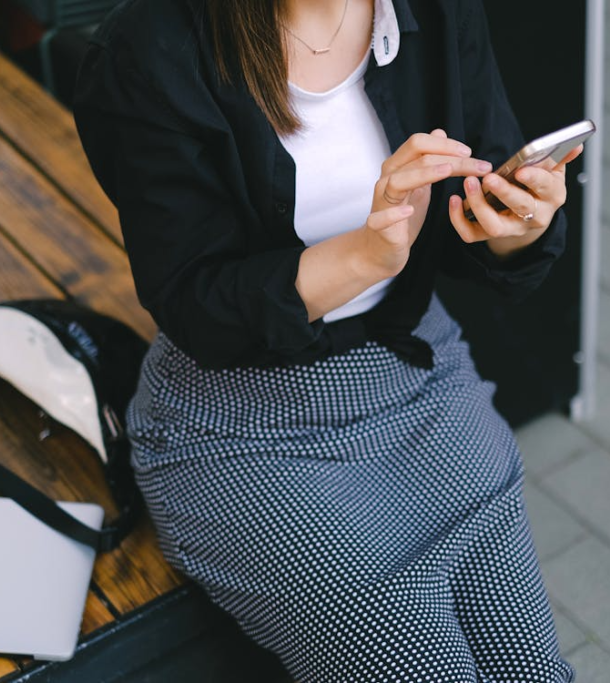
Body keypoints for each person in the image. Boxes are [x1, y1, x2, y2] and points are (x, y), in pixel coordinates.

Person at [74, 0, 579, 679]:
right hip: (240, 422)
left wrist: (519, 225)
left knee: (533, 672)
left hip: (412, 369)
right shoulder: (153, 45)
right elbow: (197, 306)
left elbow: (479, 207)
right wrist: (368, 255)